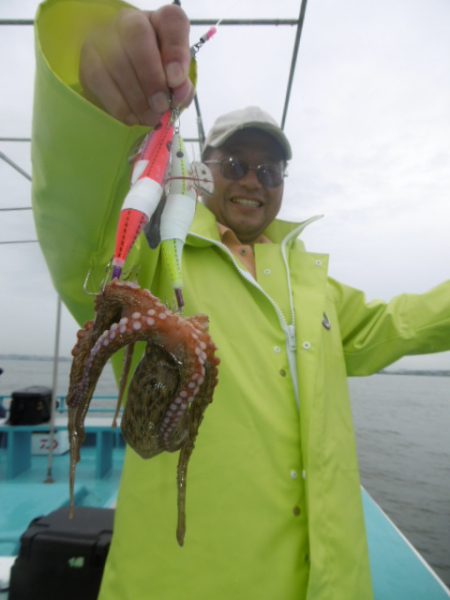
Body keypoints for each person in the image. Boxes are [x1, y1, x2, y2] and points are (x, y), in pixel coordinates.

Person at [32, 2, 450, 599]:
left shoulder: (313, 285)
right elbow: (87, 242)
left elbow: (400, 323)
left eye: (271, 172)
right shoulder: (160, 257)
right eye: (236, 163)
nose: (254, 180)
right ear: (203, 173)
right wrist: (103, 119)